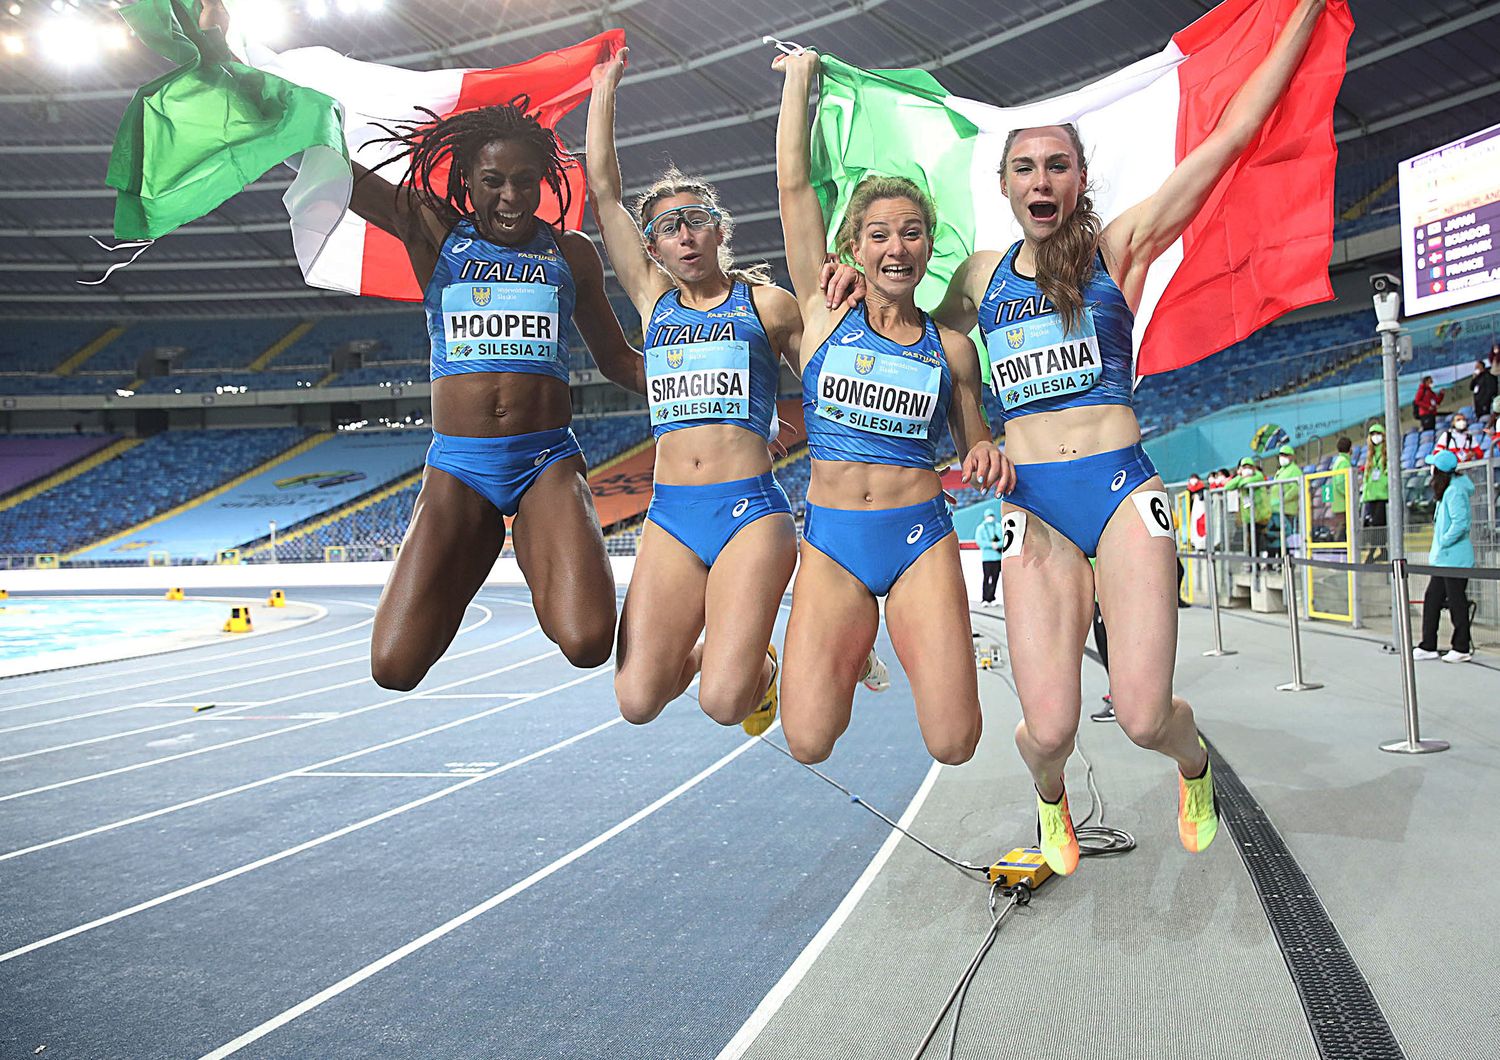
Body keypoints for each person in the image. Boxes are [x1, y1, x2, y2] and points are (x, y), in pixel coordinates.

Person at [821, 0, 1332, 876]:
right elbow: (897, 307)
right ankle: (1051, 797)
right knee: (1048, 729)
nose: (1041, 179)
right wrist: (848, 270)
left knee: (1140, 714)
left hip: (1122, 492)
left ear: (1078, 178)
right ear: (1007, 187)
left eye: (1057, 164)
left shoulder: (1121, 250)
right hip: (1031, 505)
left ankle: (1192, 762)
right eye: (1025, 167)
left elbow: (1233, 133)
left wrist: (1303, 15)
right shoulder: (979, 278)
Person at [198, 0, 646, 689]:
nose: (510, 197)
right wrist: (225, 58)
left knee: (589, 643)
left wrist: (704, 385)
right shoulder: (431, 230)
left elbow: (618, 361)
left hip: (546, 462)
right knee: (394, 668)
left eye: (525, 181)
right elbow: (317, 151)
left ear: (545, 181)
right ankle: (463, 550)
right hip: (459, 465)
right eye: (493, 181)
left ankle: (552, 557)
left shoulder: (572, 253)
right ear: (466, 180)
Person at [774, 47, 1014, 767]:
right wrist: (800, 85)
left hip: (919, 540)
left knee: (954, 743)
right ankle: (850, 652)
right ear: (854, 246)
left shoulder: (953, 349)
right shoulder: (822, 313)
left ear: (929, 244)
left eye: (912, 233)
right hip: (834, 544)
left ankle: (860, 645)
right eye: (878, 235)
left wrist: (985, 454)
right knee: (809, 741)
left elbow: (978, 449)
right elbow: (792, 188)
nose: (896, 247)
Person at [587, 51, 804, 735]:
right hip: (672, 516)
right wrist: (602, 91)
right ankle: (739, 658)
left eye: (695, 219)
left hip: (749, 512)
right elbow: (604, 192)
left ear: (719, 229)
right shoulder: (654, 303)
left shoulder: (767, 306)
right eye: (667, 228)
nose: (683, 234)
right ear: (651, 248)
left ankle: (759, 668)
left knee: (722, 703)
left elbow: (833, 382)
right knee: (637, 701)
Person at [1414, 449, 1474, 663]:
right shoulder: (1448, 489)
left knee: (1457, 602)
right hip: (1443, 559)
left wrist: (1445, 541)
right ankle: (1428, 645)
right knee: (1432, 600)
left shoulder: (1455, 491)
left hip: (1455, 558)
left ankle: (1461, 647)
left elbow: (1461, 523)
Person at [1359, 422, 1390, 563]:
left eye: (1378, 434)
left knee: (1378, 524)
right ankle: (1382, 551)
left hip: (1382, 496)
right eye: (1372, 434)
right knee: (1372, 526)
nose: (1375, 437)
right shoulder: (1369, 456)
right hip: (1370, 496)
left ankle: (1373, 552)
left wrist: (1382, 484)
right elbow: (1367, 477)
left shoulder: (1388, 453)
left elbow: (1389, 473)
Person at [1270, 443, 1302, 550]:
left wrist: (1283, 499)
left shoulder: (1294, 470)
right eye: (1281, 455)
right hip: (1277, 509)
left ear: (1292, 457)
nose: (1282, 458)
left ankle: (1287, 561)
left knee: (1286, 537)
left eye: (1285, 455)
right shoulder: (1281, 470)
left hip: (1287, 509)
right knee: (1277, 537)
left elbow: (1296, 488)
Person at [1324, 436, 1352, 541]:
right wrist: (1350, 494)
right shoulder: (1344, 462)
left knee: (1342, 527)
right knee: (1343, 528)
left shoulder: (1337, 461)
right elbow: (1340, 483)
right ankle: (1340, 552)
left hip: (1337, 502)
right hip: (1343, 503)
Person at [974, 510, 1004, 607]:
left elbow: (1004, 539)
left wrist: (998, 545)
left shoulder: (999, 526)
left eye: (992, 515)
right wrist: (991, 545)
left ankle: (992, 597)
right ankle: (985, 598)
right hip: (987, 558)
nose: (990, 517)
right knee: (987, 578)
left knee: (995, 578)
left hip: (997, 557)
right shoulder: (981, 528)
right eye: (989, 515)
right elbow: (979, 542)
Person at [1471, 360, 1497, 429]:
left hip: (1485, 404)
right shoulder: (1477, 377)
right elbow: (1471, 387)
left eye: (1478, 367)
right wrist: (1474, 378)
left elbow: (1491, 391)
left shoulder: (1488, 377)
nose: (1476, 369)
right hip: (1477, 404)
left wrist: (1485, 402)